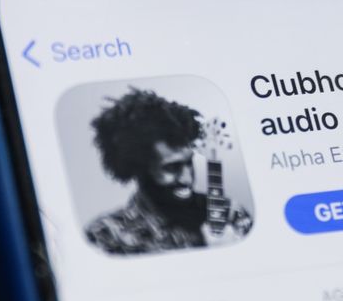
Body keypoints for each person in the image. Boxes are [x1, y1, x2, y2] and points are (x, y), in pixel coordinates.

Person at [84, 88, 252, 255]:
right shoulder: (107, 235)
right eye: (172, 167)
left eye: (189, 163)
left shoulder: (230, 214)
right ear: (140, 168)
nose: (187, 179)